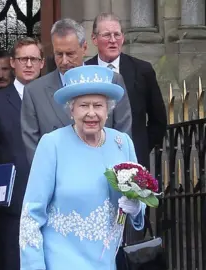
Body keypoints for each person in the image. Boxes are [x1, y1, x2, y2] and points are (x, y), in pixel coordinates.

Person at [19, 65, 146, 270]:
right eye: (83, 105)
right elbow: (31, 216)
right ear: (71, 109)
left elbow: (138, 201)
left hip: (106, 263)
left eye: (98, 105)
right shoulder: (52, 144)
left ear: (108, 108)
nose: (91, 113)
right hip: (60, 263)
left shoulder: (122, 143)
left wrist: (137, 206)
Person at [0, 37, 43, 270]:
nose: (29, 64)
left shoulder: (54, 99)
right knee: (9, 260)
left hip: (47, 195)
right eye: (23, 59)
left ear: (42, 63)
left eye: (34, 59)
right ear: (13, 63)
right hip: (11, 198)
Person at [21, 18, 132, 163]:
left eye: (70, 53)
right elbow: (33, 151)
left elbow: (122, 137)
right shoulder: (34, 92)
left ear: (84, 47)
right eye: (59, 54)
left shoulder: (111, 81)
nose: (64, 61)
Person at [86, 12, 167, 173]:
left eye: (117, 34)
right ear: (94, 39)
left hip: (133, 160)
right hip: (92, 158)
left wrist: (140, 147)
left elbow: (158, 120)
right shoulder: (85, 71)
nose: (113, 40)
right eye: (107, 35)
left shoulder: (142, 70)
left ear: (123, 37)